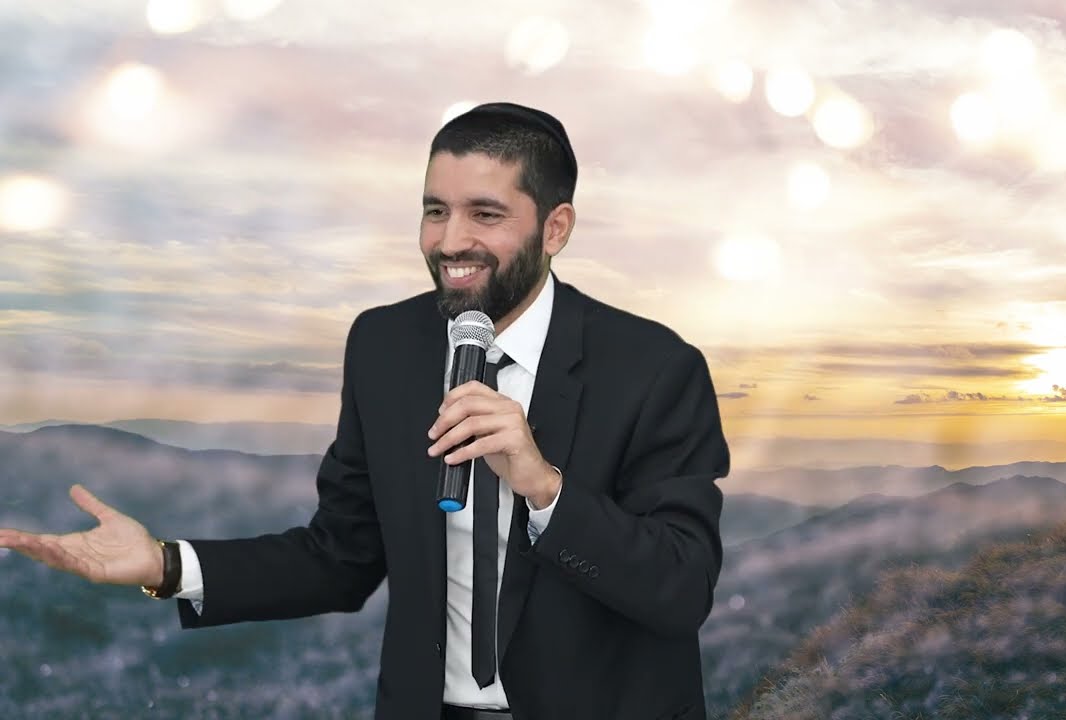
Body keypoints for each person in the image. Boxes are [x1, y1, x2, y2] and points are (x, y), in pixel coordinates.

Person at [0, 102, 731, 720]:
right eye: (435, 211)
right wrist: (165, 564)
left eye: (485, 214)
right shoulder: (385, 346)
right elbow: (341, 558)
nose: (450, 241)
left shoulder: (655, 369)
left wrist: (544, 488)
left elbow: (680, 592)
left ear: (556, 228)